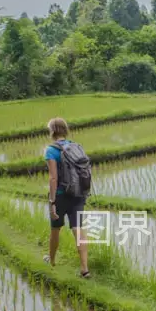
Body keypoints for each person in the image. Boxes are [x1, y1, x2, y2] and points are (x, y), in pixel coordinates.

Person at [44, 117, 91, 276]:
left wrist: (52, 201)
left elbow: (53, 178)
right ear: (65, 130)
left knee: (55, 229)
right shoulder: (76, 146)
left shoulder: (51, 150)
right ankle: (84, 268)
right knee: (77, 228)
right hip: (78, 193)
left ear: (52, 132)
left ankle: (51, 260)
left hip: (61, 195)